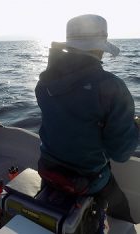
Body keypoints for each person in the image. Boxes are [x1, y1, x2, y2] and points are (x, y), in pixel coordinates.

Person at [35, 14, 139, 223]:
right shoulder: (113, 87)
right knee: (123, 214)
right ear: (100, 47)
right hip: (88, 181)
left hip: (47, 171)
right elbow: (120, 153)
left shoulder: (44, 83)